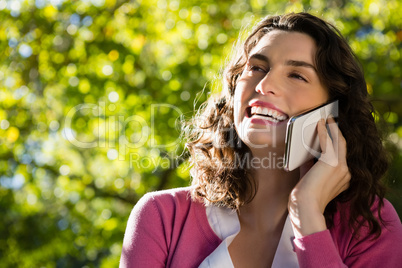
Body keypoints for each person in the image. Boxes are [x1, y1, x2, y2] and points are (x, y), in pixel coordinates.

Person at [120, 12, 402, 267]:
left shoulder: (371, 225)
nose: (264, 85)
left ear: (333, 108)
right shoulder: (161, 216)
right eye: (256, 67)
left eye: (296, 75)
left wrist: (307, 213)